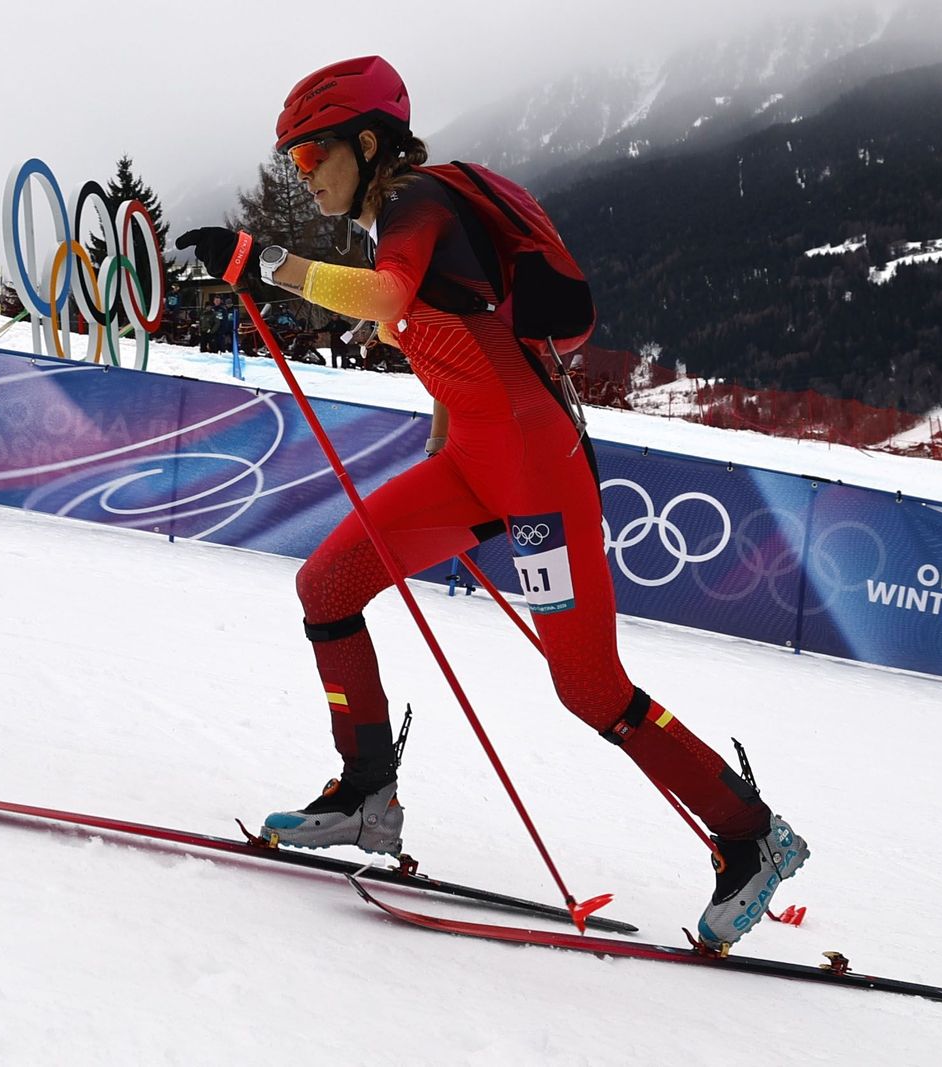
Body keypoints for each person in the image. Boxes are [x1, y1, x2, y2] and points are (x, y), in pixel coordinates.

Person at [176, 55, 807, 950]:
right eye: (293, 163)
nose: (302, 175)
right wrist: (442, 422)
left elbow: (390, 296)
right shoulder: (394, 219)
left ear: (365, 143)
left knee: (589, 688)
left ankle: (753, 838)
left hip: (537, 472)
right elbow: (463, 319)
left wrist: (256, 258)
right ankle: (365, 795)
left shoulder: (414, 204)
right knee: (327, 586)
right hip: (473, 462)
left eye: (312, 157)